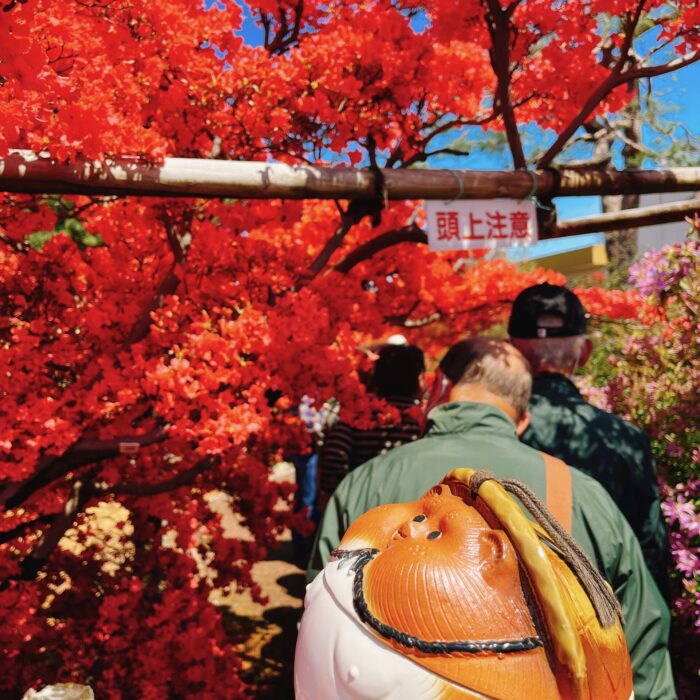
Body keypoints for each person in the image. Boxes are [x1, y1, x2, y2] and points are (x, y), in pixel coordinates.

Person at [308, 337, 675, 700]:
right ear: (524, 419)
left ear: (438, 386)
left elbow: (318, 615)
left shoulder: (364, 483)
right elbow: (644, 649)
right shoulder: (586, 497)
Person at [507, 282, 671, 599]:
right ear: (584, 354)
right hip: (606, 624)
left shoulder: (497, 434)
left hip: (510, 628)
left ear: (511, 352)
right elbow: (651, 557)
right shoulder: (628, 440)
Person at [316, 342, 424, 504]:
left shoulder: (355, 417)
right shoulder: (422, 421)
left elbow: (332, 462)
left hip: (359, 512)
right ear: (415, 379)